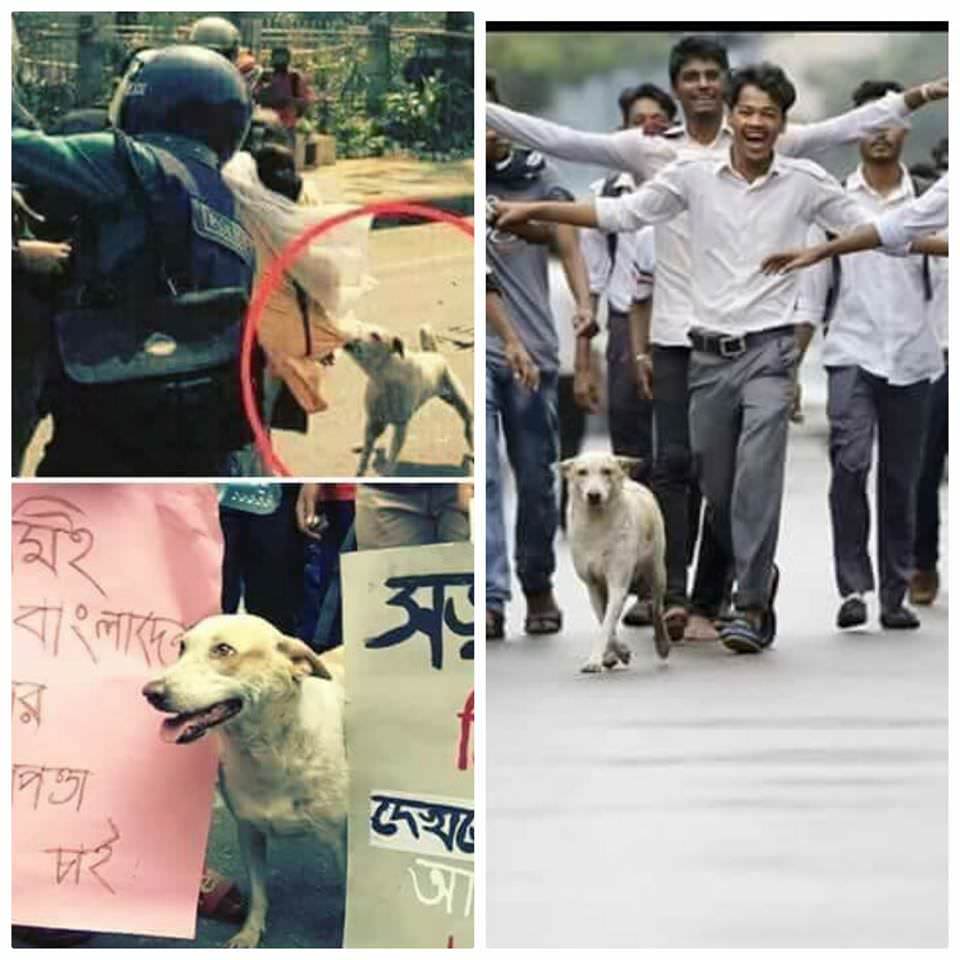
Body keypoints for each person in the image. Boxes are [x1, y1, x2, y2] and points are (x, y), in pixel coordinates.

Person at [487, 37, 946, 644]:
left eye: (770, 115)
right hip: (703, 352)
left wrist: (864, 241)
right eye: (747, 111)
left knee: (757, 478)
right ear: (729, 112)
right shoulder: (684, 171)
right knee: (713, 484)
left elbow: (878, 225)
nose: (757, 123)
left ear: (784, 124)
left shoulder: (804, 175)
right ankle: (733, 581)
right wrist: (530, 210)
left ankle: (750, 605)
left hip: (769, 352)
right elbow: (618, 210)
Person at [12, 45, 255, 476]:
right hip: (194, 438)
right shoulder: (233, 216)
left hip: (108, 421)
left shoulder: (134, 164)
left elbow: (18, 150)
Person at [804, 81, 943, 630]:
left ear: (905, 129)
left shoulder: (931, 197)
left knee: (903, 477)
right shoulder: (834, 198)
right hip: (851, 352)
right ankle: (853, 585)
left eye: (890, 122)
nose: (882, 132)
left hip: (915, 354)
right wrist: (793, 363)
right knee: (851, 462)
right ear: (855, 129)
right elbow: (814, 286)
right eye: (870, 121)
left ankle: (895, 591)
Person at [486, 75, 593, 641]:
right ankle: (492, 595)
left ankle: (537, 583)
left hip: (536, 350)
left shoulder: (537, 178)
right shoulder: (462, 183)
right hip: (479, 348)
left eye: (491, 117)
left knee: (535, 476)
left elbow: (571, 244)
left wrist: (584, 309)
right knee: (484, 476)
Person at [255, 46, 315, 149]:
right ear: (272, 58)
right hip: (268, 124)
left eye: (282, 57)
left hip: (287, 124)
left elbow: (306, 100)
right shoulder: (266, 76)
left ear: (288, 59)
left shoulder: (294, 77)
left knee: (287, 156)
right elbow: (256, 95)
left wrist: (291, 102)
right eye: (277, 57)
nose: (280, 60)